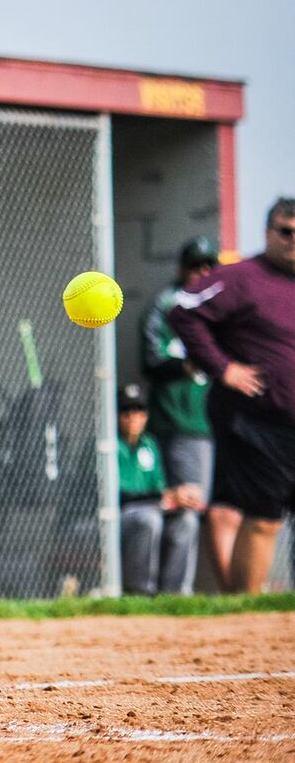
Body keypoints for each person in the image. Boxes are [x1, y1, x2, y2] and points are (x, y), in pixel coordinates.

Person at [167, 197, 295, 594]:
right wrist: (224, 368)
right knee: (263, 518)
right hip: (258, 421)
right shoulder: (243, 277)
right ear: (268, 232)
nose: (293, 240)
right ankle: (247, 611)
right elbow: (184, 308)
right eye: (286, 232)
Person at [140, 235, 217, 592]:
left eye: (208, 266)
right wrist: (188, 363)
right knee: (167, 506)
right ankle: (157, 591)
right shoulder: (165, 305)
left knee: (189, 509)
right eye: (194, 265)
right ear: (181, 267)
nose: (201, 272)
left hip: (201, 425)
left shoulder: (217, 309)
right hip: (170, 422)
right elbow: (151, 361)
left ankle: (174, 592)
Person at [115, 384, 204, 595]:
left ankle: (174, 594)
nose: (133, 417)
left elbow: (158, 488)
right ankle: (140, 592)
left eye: (138, 411)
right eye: (126, 411)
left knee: (187, 520)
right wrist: (163, 497)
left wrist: (178, 497)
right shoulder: (108, 446)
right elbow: (117, 497)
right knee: (148, 519)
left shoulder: (149, 444)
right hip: (118, 515)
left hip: (148, 507)